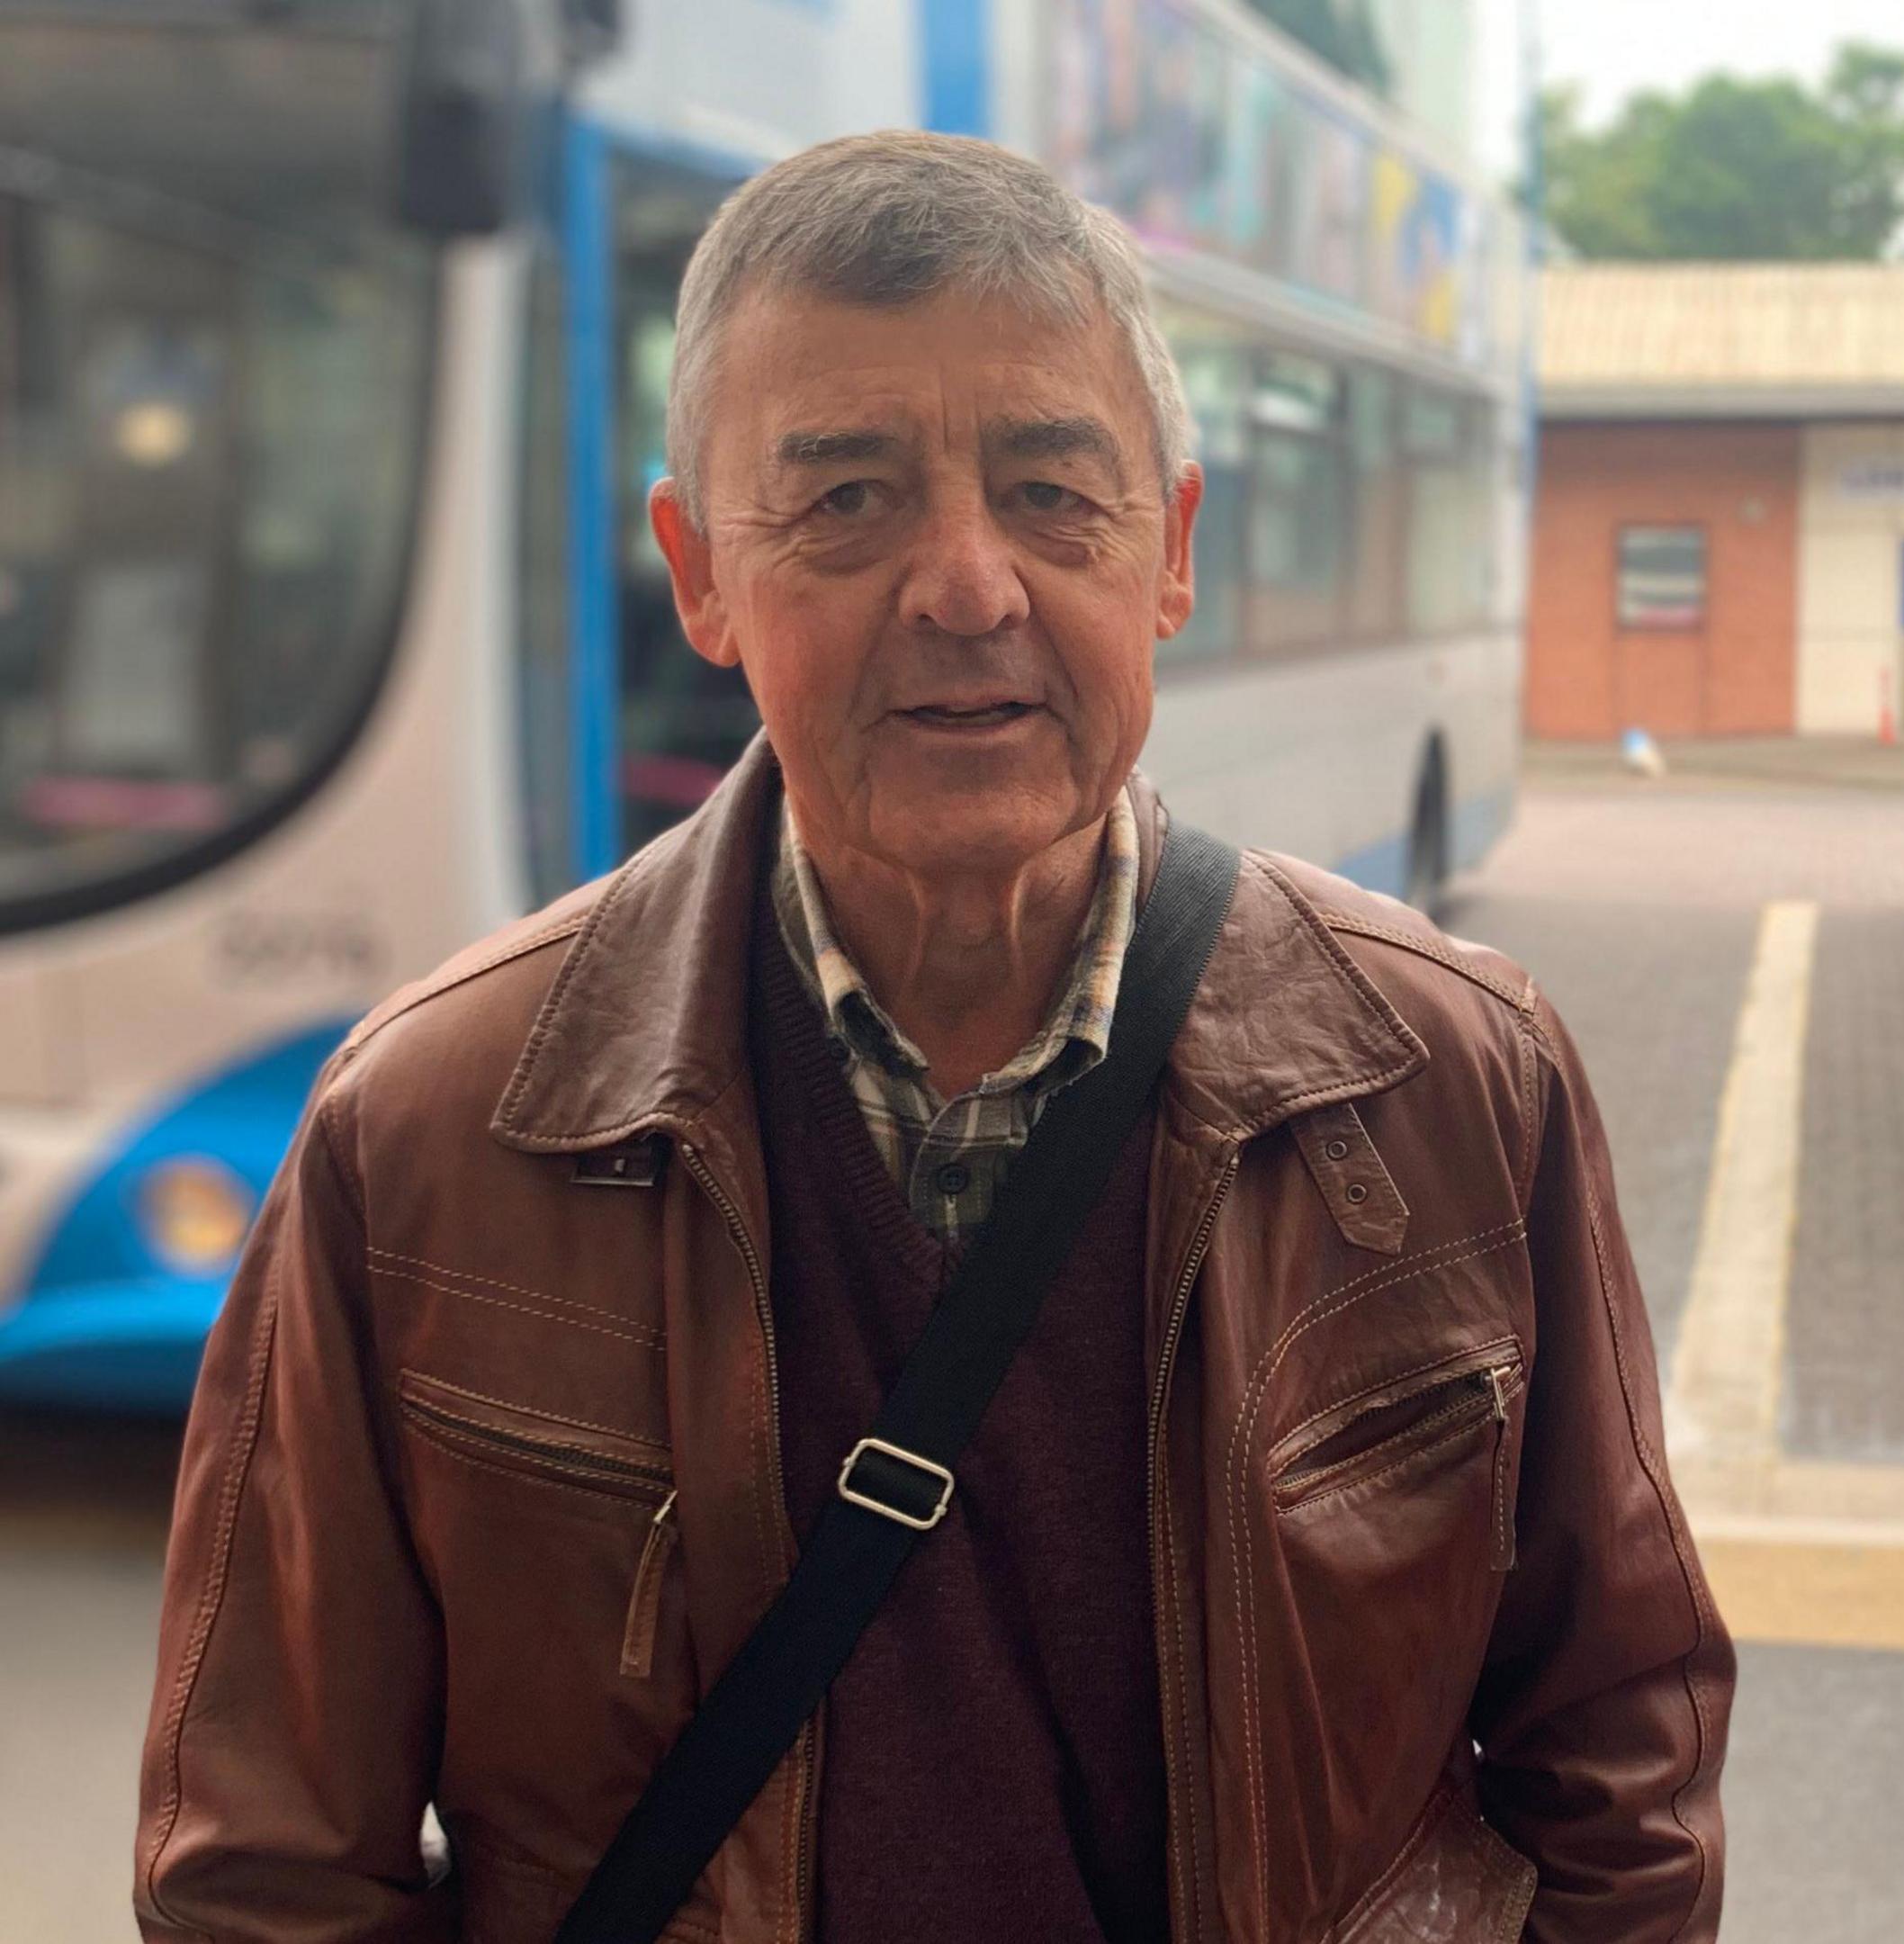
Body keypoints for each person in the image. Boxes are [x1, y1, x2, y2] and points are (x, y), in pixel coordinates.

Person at [136, 131, 1729, 1943]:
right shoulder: (425, 1133)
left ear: (1173, 549)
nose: (967, 586)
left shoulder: (1455, 1079)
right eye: (845, 501)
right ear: (699, 570)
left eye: (1055, 493)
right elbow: (261, 1870)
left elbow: (1618, 1757)